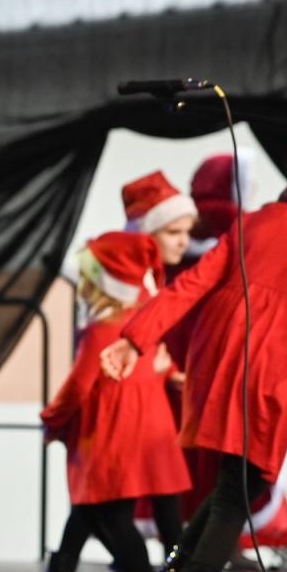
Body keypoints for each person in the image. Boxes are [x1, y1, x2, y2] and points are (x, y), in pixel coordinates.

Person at [100, 110, 287, 572]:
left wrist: (135, 338)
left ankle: (175, 568)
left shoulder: (257, 219)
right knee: (239, 490)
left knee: (233, 481)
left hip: (217, 358)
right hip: (273, 363)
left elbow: (190, 286)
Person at [43, 232, 187, 572]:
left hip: (112, 430)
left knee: (104, 509)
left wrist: (52, 420)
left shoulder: (101, 330)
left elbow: (78, 385)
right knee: (150, 511)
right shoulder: (141, 322)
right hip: (151, 424)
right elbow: (155, 366)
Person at [120, 170, 197, 551]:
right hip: (128, 402)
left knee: (164, 477)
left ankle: (174, 557)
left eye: (186, 233)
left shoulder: (153, 279)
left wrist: (167, 370)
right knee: (110, 497)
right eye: (173, 232)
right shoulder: (122, 280)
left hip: (147, 397)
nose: (184, 242)